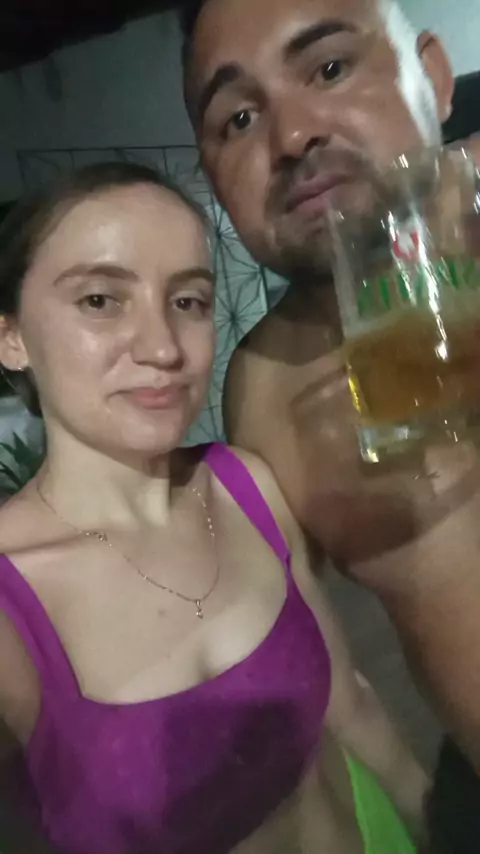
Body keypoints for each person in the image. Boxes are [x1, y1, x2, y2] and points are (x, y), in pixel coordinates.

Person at [0, 162, 426, 854]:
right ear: (11, 336)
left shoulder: (245, 486)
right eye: (101, 300)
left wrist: (439, 825)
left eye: (188, 301)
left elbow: (348, 704)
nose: (164, 347)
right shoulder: (10, 603)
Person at [180, 0, 480, 773]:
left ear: (434, 76)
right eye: (239, 119)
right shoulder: (264, 395)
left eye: (331, 68)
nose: (291, 137)